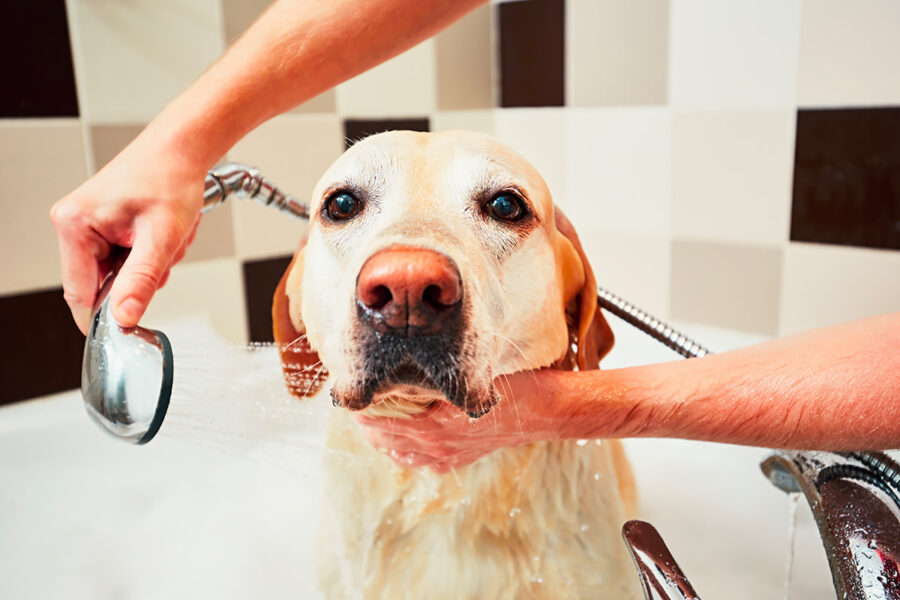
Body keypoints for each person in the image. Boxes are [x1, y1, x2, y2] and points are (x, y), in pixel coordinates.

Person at [52, 0, 899, 471]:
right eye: (345, 209)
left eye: (500, 210)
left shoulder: (581, 346)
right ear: (296, 322)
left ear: (579, 310)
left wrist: (565, 408)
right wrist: (183, 139)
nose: (408, 278)